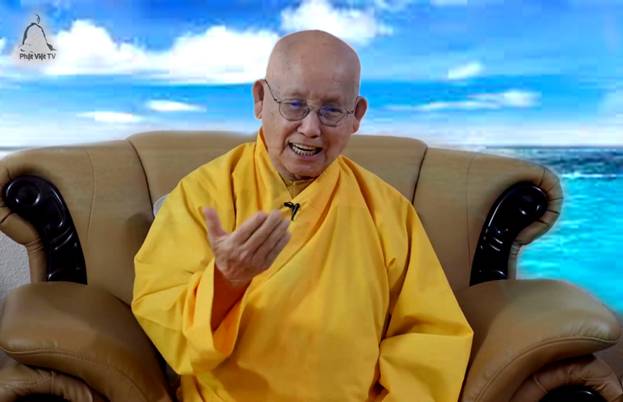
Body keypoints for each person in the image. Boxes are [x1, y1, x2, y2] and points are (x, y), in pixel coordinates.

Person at [132, 30, 473, 402]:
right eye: (294, 105)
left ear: (356, 115)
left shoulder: (388, 211)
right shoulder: (203, 194)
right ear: (260, 99)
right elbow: (162, 316)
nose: (310, 129)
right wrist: (225, 282)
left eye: (331, 110)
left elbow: (432, 337)